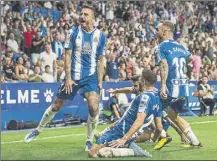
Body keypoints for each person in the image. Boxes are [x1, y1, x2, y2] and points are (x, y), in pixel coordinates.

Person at [24, 4, 107, 152]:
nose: (82, 17)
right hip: (73, 76)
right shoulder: (72, 32)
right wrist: (68, 78)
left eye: (86, 15)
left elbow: (101, 59)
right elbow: (67, 55)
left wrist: (100, 81)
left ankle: (89, 140)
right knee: (56, 106)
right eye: (81, 14)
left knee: (94, 107)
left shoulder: (100, 36)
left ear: (93, 18)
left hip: (91, 77)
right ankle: (38, 129)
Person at [88, 69, 164, 158]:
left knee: (92, 152)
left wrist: (124, 139)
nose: (139, 80)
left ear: (143, 81)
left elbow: (139, 120)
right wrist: (154, 140)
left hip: (122, 130)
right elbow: (159, 128)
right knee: (103, 148)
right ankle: (126, 145)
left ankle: (131, 150)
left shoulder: (145, 97)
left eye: (141, 78)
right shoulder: (157, 96)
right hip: (130, 132)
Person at [154, 20, 202, 148]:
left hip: (170, 86)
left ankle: (164, 136)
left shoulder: (160, 47)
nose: (156, 32)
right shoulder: (181, 46)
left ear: (165, 31)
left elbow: (163, 65)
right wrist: (183, 73)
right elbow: (190, 59)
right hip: (182, 86)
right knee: (173, 115)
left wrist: (163, 85)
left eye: (157, 30)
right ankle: (195, 141)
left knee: (151, 107)